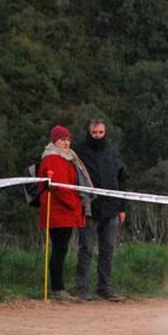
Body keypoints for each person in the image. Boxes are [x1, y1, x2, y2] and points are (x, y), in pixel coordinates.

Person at [72, 119, 127, 302]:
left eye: (101, 133)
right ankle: (82, 289)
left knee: (108, 249)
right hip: (89, 208)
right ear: (89, 132)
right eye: (94, 133)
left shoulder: (112, 151)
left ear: (105, 132)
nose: (97, 136)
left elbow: (122, 179)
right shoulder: (79, 152)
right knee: (86, 248)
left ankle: (105, 288)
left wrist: (122, 207)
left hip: (111, 208)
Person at [37, 125, 92, 301]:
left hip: (64, 212)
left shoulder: (68, 158)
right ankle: (57, 288)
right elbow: (61, 188)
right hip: (58, 211)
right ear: (54, 140)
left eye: (68, 139)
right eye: (62, 139)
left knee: (61, 248)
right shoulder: (53, 158)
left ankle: (58, 288)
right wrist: (76, 204)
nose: (66, 142)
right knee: (59, 249)